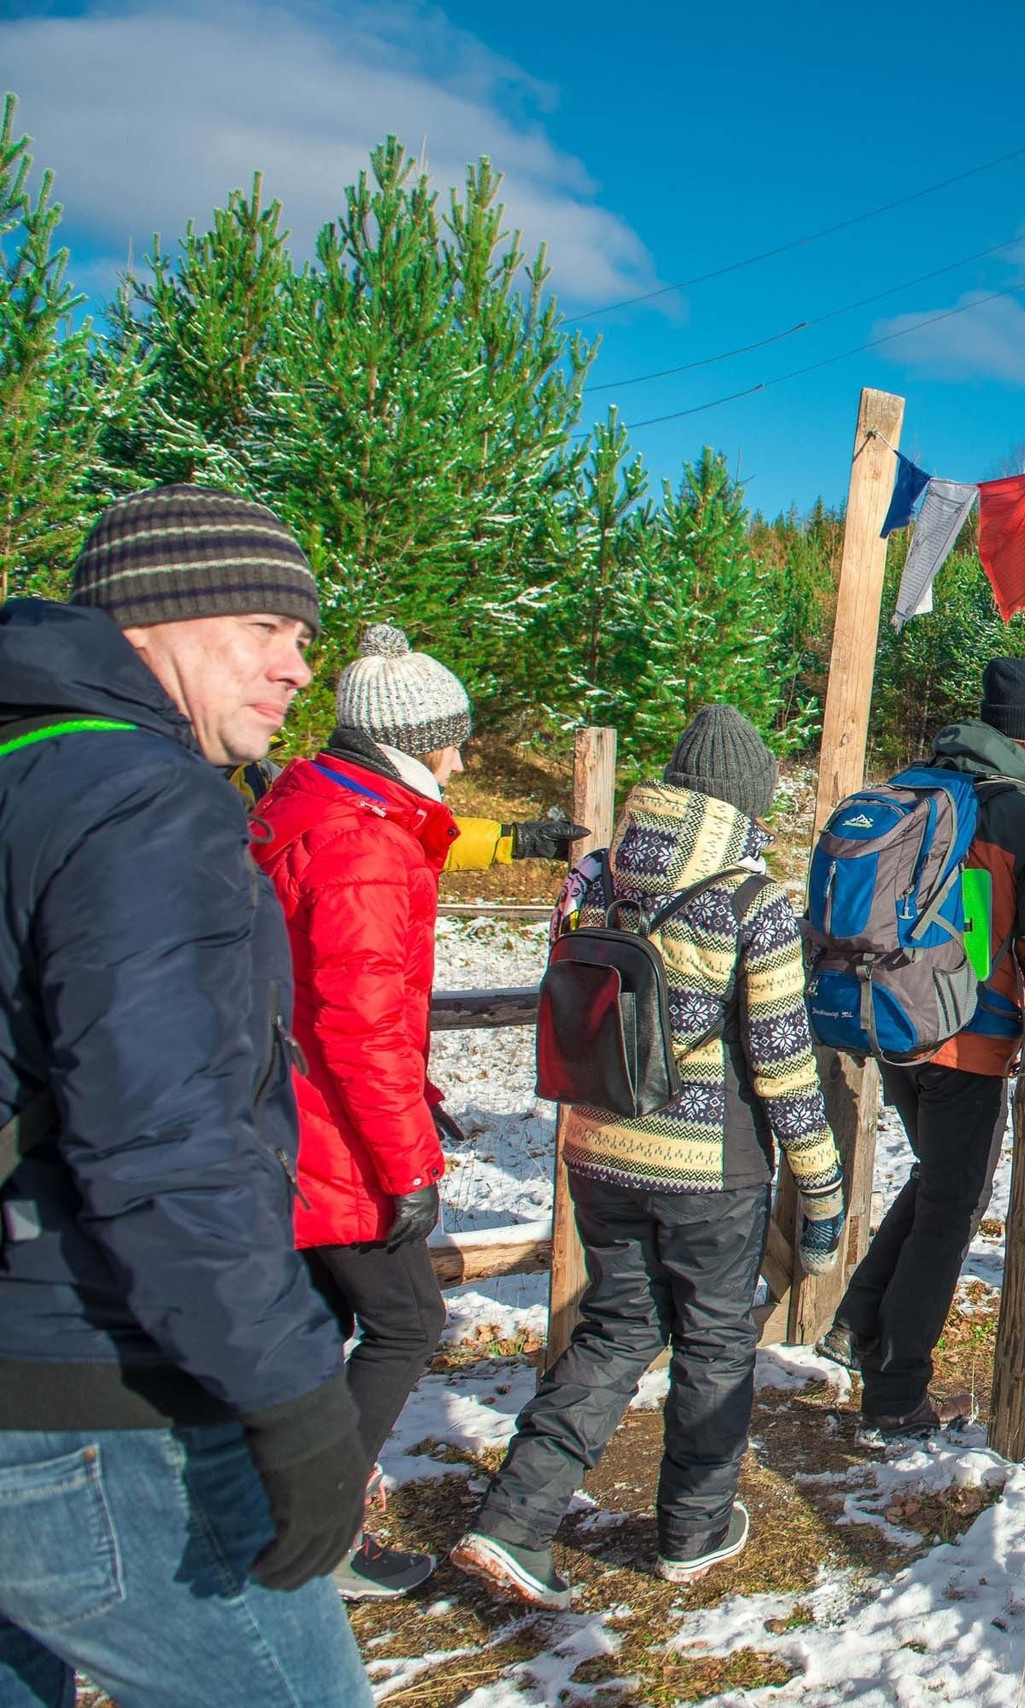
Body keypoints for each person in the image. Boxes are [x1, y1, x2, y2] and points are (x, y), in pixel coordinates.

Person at [0, 485, 372, 1707]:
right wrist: (292, 1392)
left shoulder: (25, 769)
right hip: (94, 1388)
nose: (295, 668)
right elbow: (168, 1135)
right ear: (156, 615)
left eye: (304, 640)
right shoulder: (147, 803)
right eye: (267, 626)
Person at [450, 706, 843, 1609]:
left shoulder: (593, 877)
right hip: (708, 1165)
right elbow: (784, 1071)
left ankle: (514, 1520)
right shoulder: (754, 903)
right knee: (713, 1340)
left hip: (596, 1145)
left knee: (616, 1328)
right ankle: (693, 1531)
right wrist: (821, 1191)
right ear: (748, 803)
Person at [248, 624, 585, 1600]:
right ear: (411, 739)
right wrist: (408, 1164)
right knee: (403, 1317)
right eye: (451, 737)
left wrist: (514, 840)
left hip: (290, 1114)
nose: (462, 755)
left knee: (314, 1324)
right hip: (330, 1132)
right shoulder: (361, 843)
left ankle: (277, 1513)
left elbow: (417, 852)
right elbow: (357, 1022)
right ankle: (315, 1535)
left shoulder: (322, 800)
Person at [818, 658, 1025, 1434]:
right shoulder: (1018, 812)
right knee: (951, 1209)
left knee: (938, 1182)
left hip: (892, 1023)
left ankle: (858, 1321)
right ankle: (896, 1396)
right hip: (970, 1034)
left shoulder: (918, 789)